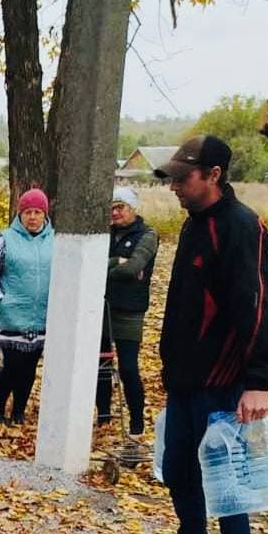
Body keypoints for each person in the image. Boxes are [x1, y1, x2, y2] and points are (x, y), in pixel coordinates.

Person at [142, 135, 268, 534]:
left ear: (214, 175)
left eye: (183, 178)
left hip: (224, 379)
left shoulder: (242, 227)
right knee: (180, 468)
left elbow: (258, 306)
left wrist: (259, 380)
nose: (175, 187)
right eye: (174, 179)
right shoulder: (194, 224)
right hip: (186, 378)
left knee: (223, 472)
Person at [0, 188, 55, 424]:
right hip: (10, 317)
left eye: (37, 212)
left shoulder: (57, 240)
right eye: (27, 212)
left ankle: (19, 412)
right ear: (19, 214)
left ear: (45, 214)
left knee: (29, 370)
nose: (32, 217)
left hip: (41, 317)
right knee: (11, 367)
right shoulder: (4, 239)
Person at [95, 186, 159, 437]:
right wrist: (115, 262)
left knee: (129, 368)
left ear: (133, 208)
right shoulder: (105, 233)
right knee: (101, 363)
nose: (115, 212)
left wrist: (111, 266)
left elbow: (133, 269)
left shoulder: (148, 234)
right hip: (102, 306)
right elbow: (94, 263)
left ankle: (136, 421)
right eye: (111, 208)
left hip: (130, 310)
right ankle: (103, 415)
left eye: (120, 207)